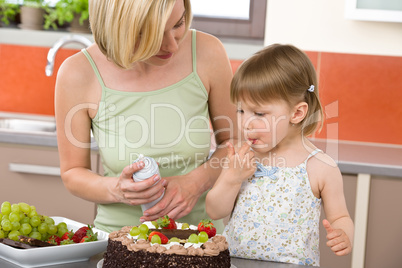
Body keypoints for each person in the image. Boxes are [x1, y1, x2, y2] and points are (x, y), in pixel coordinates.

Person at [54, 0, 237, 233]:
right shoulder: (78, 73)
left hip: (201, 241)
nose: (172, 46)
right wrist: (117, 189)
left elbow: (236, 145)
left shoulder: (207, 52)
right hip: (120, 242)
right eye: (152, 35)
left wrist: (197, 182)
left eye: (178, 24)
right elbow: (72, 173)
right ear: (117, 29)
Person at [205, 44, 354, 266]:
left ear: (297, 113)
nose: (246, 123)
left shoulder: (320, 167)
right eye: (241, 110)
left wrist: (344, 235)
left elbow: (340, 217)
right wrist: (232, 178)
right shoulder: (242, 158)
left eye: (259, 113)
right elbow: (214, 210)